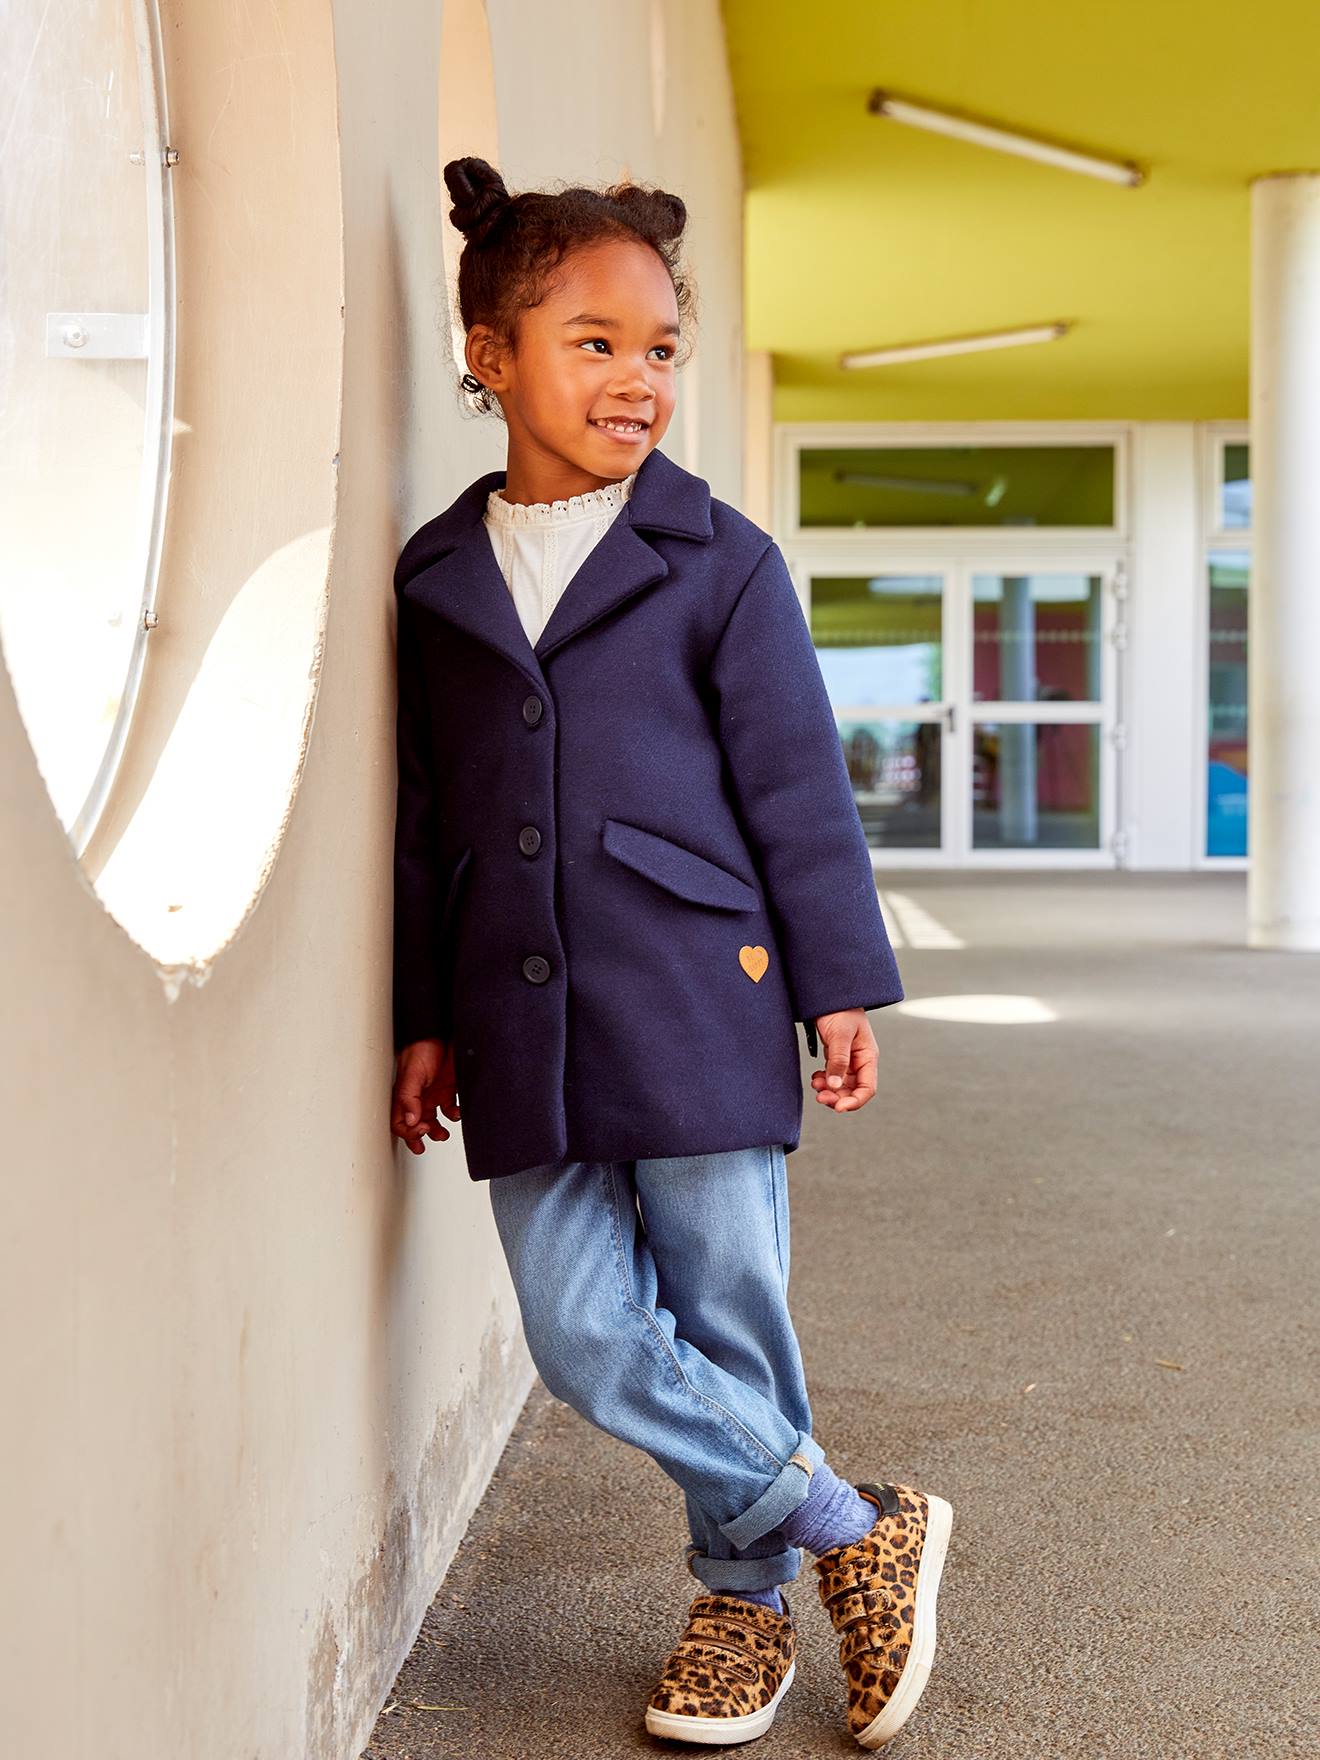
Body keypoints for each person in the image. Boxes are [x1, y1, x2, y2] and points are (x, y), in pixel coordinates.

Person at [388, 156, 952, 1750]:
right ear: (490, 355)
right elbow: (428, 817)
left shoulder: (722, 560)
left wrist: (841, 978)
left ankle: (742, 1601)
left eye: (658, 346)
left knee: (725, 1313)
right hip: (514, 1011)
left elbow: (794, 783)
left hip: (705, 992)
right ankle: (851, 1523)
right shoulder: (435, 577)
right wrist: (422, 1015)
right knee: (581, 1332)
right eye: (593, 341)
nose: (637, 378)